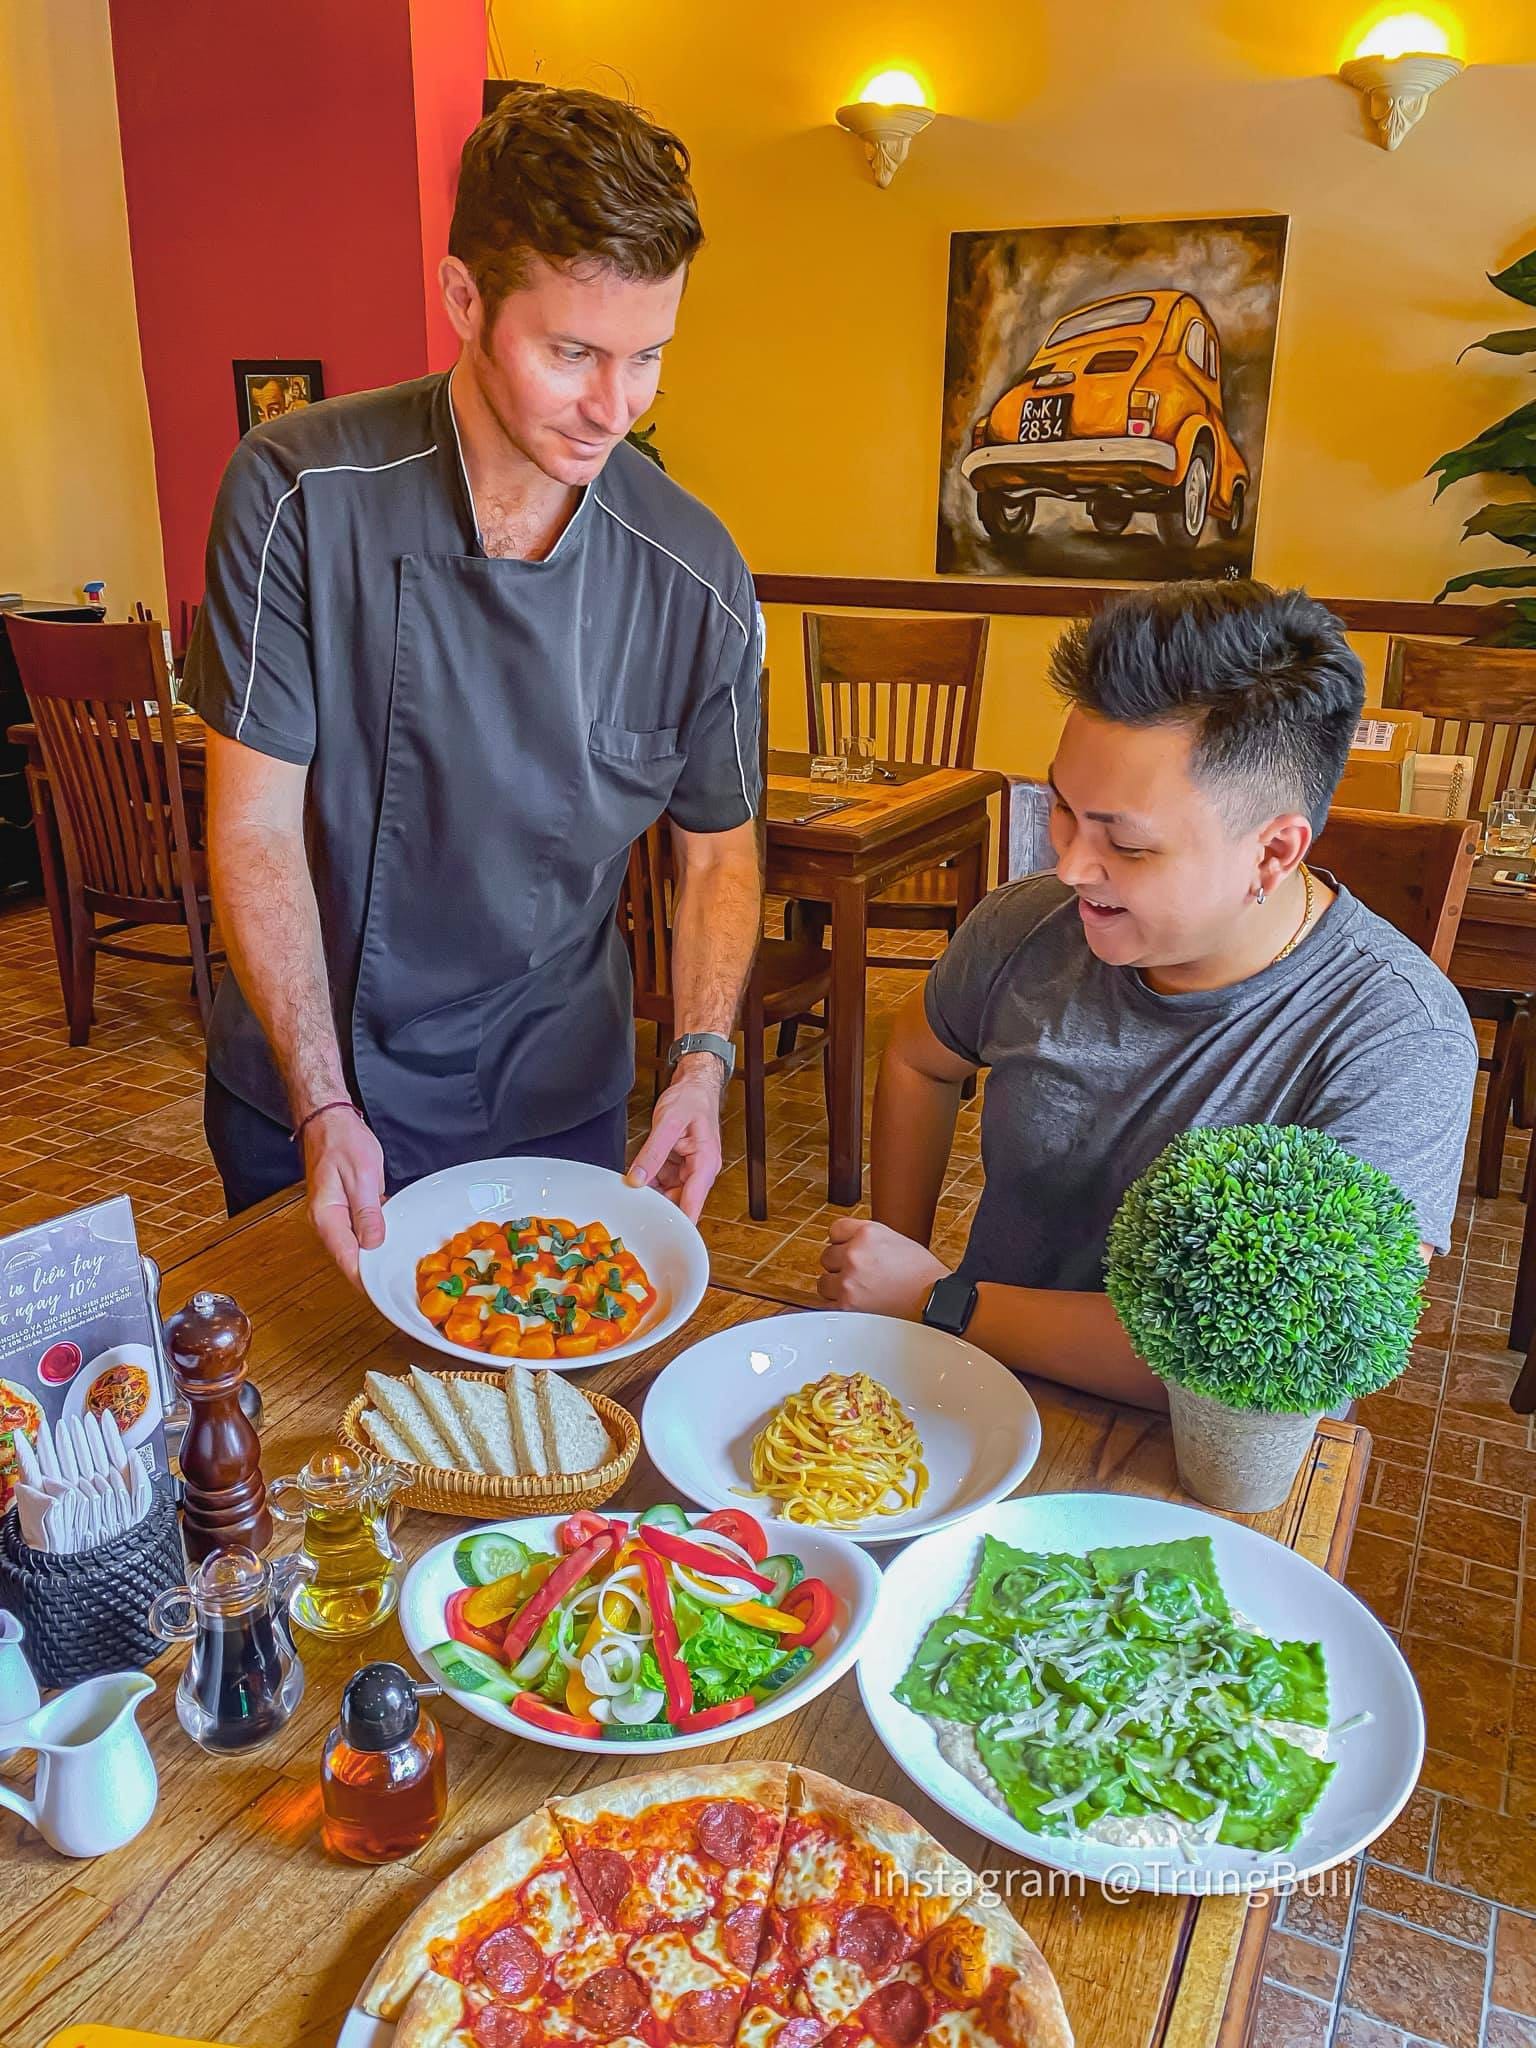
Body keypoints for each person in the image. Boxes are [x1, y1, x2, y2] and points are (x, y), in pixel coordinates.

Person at [182, 86, 763, 1280]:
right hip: (307, 1092)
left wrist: (701, 1059)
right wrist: (319, 1098)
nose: (616, 407)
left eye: (648, 356)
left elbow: (719, 849)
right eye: (572, 353)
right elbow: (250, 824)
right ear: (462, 299)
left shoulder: (697, 574)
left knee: (525, 1442)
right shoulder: (296, 493)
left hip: (553, 1100)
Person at [817, 580, 1477, 1406]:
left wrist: (936, 1300)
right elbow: (920, 1056)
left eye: (1125, 844)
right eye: (1063, 809)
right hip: (971, 1386)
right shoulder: (1028, 927)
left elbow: (1276, 1369)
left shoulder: (1398, 1038)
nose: (1070, 866)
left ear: (1273, 855)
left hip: (1195, 1468)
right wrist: (897, 1273)